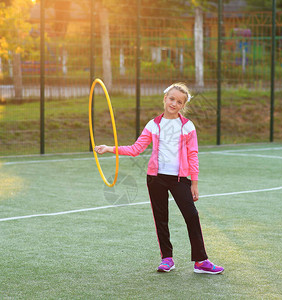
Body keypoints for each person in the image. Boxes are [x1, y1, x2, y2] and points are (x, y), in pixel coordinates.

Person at [94, 83, 224, 274]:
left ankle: (201, 261)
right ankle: (167, 258)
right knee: (161, 218)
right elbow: (136, 149)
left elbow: (193, 154)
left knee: (192, 215)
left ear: (183, 105)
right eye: (172, 99)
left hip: (179, 179)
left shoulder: (187, 126)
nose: (174, 103)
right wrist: (109, 148)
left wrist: (194, 182)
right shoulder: (153, 125)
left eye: (179, 102)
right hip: (156, 179)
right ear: (165, 99)